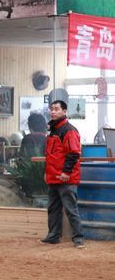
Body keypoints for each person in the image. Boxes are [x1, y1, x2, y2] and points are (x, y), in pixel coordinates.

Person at [41, 100, 85, 248]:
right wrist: (47, 173)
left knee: (71, 209)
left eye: (57, 109)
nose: (53, 111)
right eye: (51, 109)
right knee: (53, 208)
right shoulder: (53, 131)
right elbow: (50, 156)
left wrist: (66, 172)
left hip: (66, 178)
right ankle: (53, 236)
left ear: (64, 112)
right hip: (53, 177)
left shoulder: (69, 130)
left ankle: (78, 239)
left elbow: (73, 153)